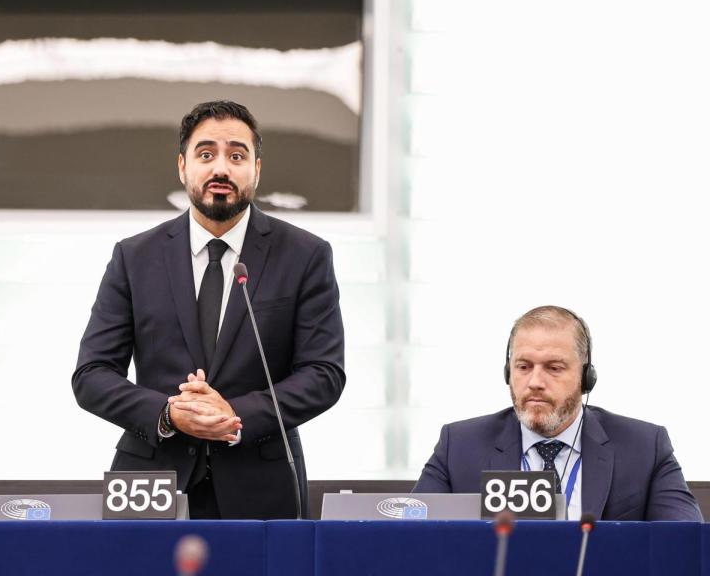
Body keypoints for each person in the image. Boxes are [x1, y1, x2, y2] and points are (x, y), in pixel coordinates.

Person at [72, 100, 345, 519]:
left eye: (237, 155)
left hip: (262, 482)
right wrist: (168, 413)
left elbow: (324, 373)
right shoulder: (134, 257)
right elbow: (91, 376)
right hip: (152, 481)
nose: (221, 168)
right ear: (182, 167)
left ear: (256, 169)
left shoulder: (304, 255)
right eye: (206, 154)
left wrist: (236, 414)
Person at [413, 305, 701, 521]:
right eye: (524, 367)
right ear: (508, 372)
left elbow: (684, 544)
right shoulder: (459, 446)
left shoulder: (644, 446)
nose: (535, 382)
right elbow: (409, 540)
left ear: (586, 377)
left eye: (554, 367)